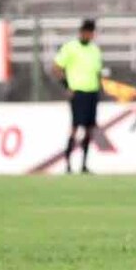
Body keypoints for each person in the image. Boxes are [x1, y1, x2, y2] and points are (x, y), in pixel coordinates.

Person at [53, 19, 103, 174]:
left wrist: (100, 88)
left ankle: (84, 165)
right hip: (78, 93)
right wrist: (66, 86)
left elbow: (97, 72)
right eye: (87, 32)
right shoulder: (70, 48)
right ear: (82, 32)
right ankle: (68, 164)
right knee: (75, 128)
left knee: (89, 129)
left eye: (92, 32)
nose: (89, 35)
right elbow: (56, 68)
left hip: (92, 92)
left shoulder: (95, 50)